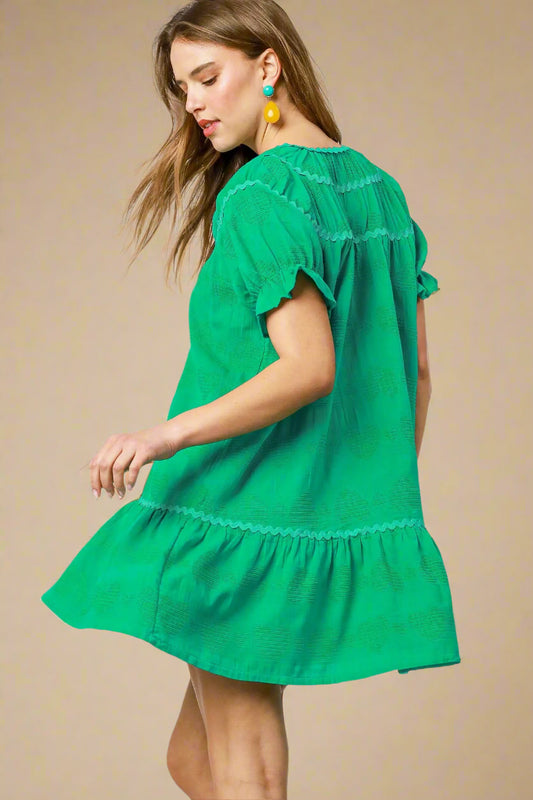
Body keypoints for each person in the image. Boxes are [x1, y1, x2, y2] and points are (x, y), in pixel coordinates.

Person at [40, 1, 461, 798]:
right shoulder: (379, 192)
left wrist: (162, 436)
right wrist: (358, 495)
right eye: (182, 88)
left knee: (243, 772)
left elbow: (309, 368)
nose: (194, 103)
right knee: (193, 760)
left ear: (268, 66)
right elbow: (415, 374)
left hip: (241, 510)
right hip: (291, 516)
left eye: (207, 77)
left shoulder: (262, 193)